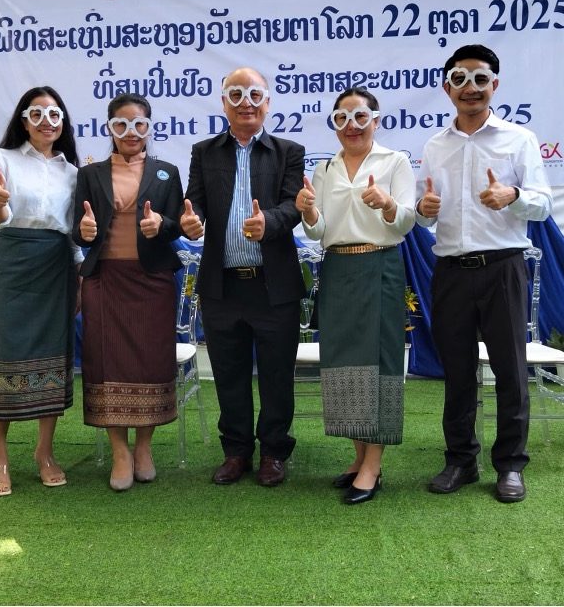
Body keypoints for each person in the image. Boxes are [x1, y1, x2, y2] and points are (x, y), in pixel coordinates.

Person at [416, 44, 552, 503]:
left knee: (510, 371)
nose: (469, 88)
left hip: (503, 268)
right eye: (460, 78)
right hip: (451, 271)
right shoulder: (435, 146)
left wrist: (513, 195)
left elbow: (543, 203)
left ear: (495, 84)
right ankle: (460, 460)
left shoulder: (519, 139)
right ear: (446, 87)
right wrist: (423, 208)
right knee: (457, 371)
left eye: (479, 78)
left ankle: (510, 465)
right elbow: (424, 214)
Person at [180, 67, 305, 487]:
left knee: (276, 375)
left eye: (254, 95)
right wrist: (191, 221)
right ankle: (235, 452)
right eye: (236, 94)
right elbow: (194, 204)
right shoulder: (204, 152)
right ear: (224, 103)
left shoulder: (288, 151)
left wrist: (269, 221)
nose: (245, 103)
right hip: (223, 285)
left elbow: (294, 206)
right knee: (228, 373)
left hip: (274, 285)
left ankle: (273, 452)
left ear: (267, 103)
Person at [298, 88, 415, 504]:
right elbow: (318, 230)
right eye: (342, 118)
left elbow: (406, 220)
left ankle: (373, 466)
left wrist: (387, 204)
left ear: (376, 120)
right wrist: (308, 212)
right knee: (343, 360)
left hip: (379, 265)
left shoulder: (395, 161)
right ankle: (358, 455)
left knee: (378, 359)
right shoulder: (325, 168)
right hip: (337, 268)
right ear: (334, 124)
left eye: (360, 117)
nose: (352, 126)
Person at [72, 93, 183, 491]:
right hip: (105, 280)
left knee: (151, 361)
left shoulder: (167, 171)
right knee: (106, 363)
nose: (131, 132)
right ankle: (120, 451)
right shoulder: (90, 174)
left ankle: (144, 448)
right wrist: (84, 231)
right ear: (110, 128)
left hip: (152, 281)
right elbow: (78, 231)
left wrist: (162, 225)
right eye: (121, 124)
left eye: (139, 124)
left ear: (149, 128)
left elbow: (177, 225)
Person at [0, 86, 82, 496]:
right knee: (6, 356)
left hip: (56, 266)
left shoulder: (72, 172)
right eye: (37, 114)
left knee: (53, 355)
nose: (46, 122)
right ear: (23, 121)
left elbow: (73, 231)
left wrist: (79, 277)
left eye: (54, 114)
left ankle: (45, 452)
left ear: (63, 122)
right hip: (13, 263)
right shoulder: (0, 158)